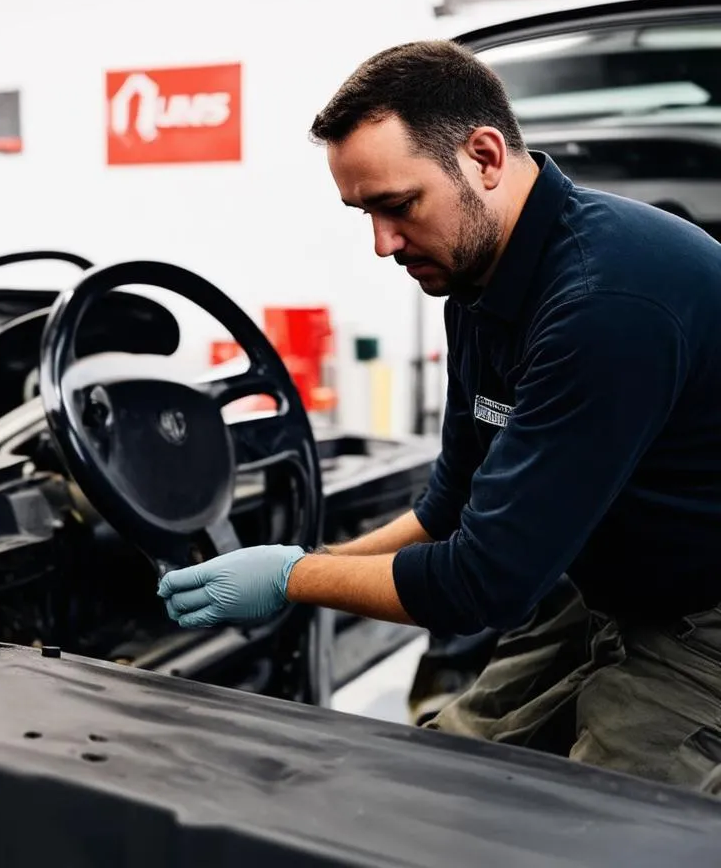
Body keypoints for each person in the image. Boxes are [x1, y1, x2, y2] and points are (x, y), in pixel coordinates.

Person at [157, 39, 721, 795]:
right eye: (364, 212)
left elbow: (484, 585)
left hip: (706, 618)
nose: (383, 244)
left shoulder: (602, 304)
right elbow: (450, 506)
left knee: (607, 829)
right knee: (444, 778)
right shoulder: (476, 280)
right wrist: (318, 558)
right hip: (615, 587)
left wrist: (294, 578)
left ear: (485, 157)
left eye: (398, 206)